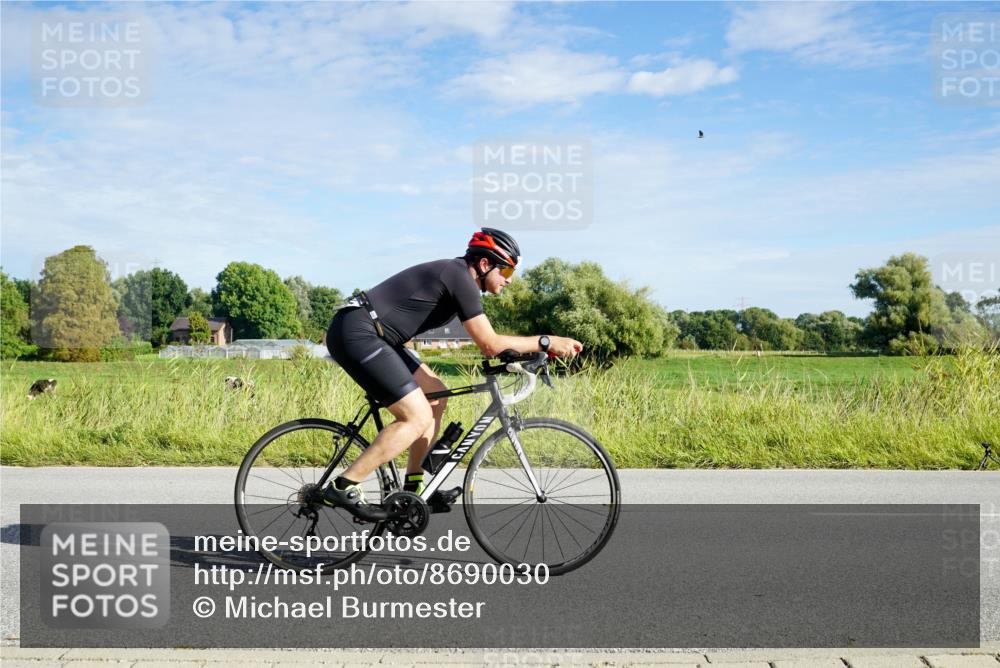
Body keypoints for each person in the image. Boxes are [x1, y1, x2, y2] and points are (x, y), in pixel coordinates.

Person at [323, 228, 583, 520]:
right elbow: (489, 343)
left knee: (435, 396)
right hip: (358, 332)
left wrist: (528, 353)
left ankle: (416, 491)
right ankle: (345, 484)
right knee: (416, 416)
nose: (509, 279)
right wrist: (546, 341)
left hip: (378, 335)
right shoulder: (460, 276)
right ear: (485, 265)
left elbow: (492, 345)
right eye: (507, 269)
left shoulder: (461, 278)